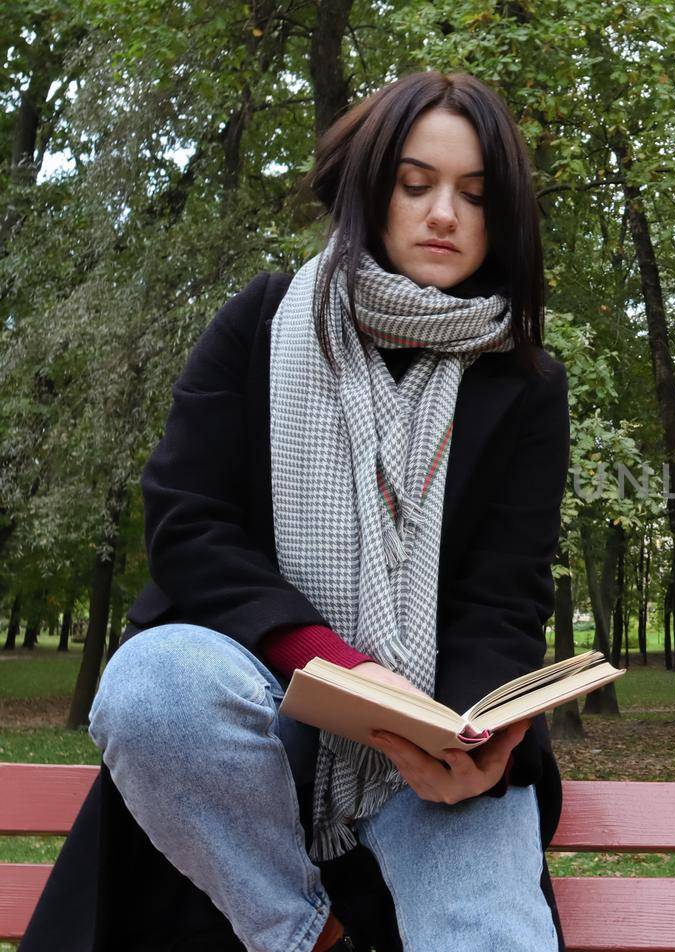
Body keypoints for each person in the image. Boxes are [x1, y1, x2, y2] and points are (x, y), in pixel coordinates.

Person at [20, 71, 570, 952]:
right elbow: (188, 526)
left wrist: (478, 735)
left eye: (474, 194)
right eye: (415, 183)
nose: (442, 214)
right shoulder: (261, 323)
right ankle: (302, 935)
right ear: (372, 189)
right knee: (154, 682)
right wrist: (339, 671)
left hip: (430, 754)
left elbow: (506, 596)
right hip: (269, 717)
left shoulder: (525, 385)